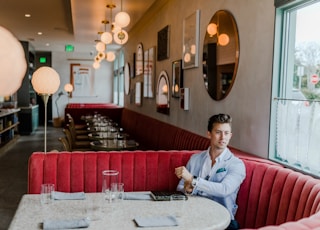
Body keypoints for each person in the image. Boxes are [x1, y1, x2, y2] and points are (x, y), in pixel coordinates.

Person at [175, 114, 246, 230]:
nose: (223, 137)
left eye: (226, 133)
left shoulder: (236, 164)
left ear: (230, 135)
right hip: (194, 215)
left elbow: (224, 190)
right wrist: (187, 189)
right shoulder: (195, 159)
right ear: (209, 134)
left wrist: (193, 181)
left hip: (224, 221)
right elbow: (180, 188)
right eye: (218, 132)